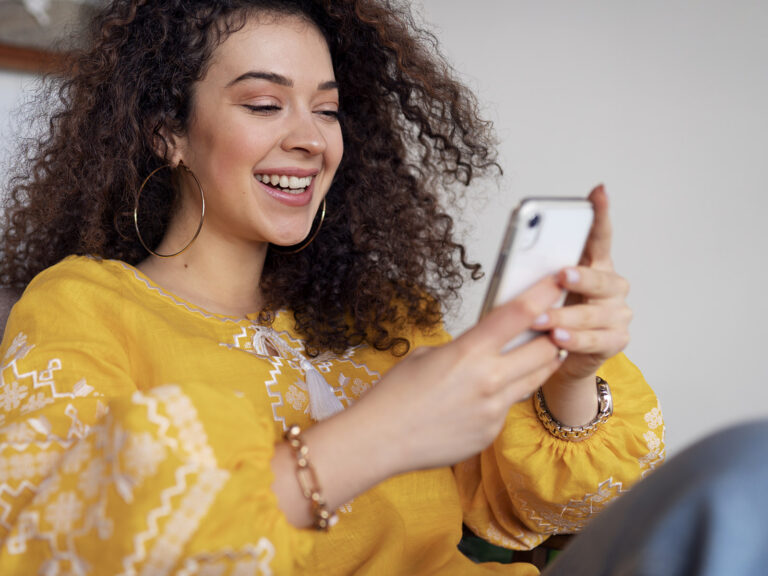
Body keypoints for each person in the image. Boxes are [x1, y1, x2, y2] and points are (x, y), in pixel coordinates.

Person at [0, 0, 662, 574]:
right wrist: (384, 430)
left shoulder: (382, 315)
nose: (311, 139)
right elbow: (67, 548)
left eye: (328, 110)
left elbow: (532, 510)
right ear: (166, 132)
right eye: (264, 104)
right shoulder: (86, 307)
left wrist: (573, 373)